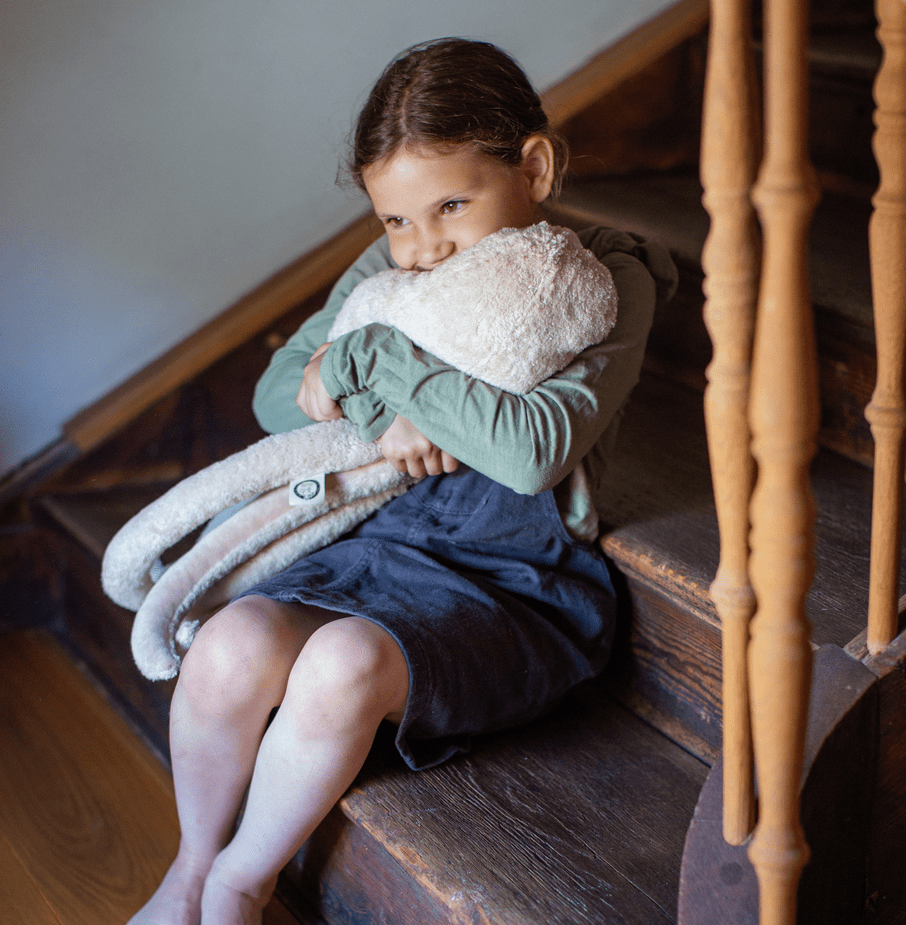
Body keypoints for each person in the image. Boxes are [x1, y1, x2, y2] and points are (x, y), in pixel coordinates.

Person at [128, 37, 677, 925]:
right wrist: (385, 417)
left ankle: (241, 885)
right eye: (395, 220)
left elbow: (532, 450)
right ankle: (190, 869)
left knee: (341, 661)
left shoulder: (603, 278)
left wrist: (384, 363)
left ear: (533, 168)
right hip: (382, 545)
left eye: (452, 204)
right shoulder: (388, 267)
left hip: (513, 576)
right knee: (231, 641)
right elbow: (278, 392)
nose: (423, 247)